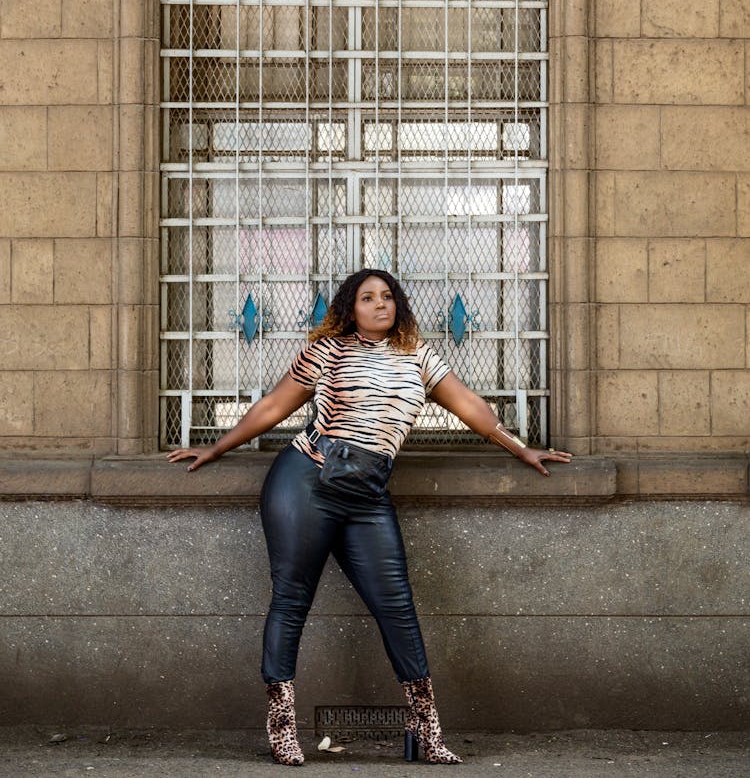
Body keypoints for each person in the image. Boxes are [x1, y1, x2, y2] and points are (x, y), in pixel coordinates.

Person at [168, 269, 572, 766]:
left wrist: (521, 448)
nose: (380, 304)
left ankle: (427, 732)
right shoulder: (328, 350)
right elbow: (274, 405)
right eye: (367, 298)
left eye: (387, 297)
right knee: (292, 599)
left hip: (367, 494)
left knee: (397, 607)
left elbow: (470, 405)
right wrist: (216, 448)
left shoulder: (419, 357)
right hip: (306, 481)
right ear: (350, 308)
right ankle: (281, 728)